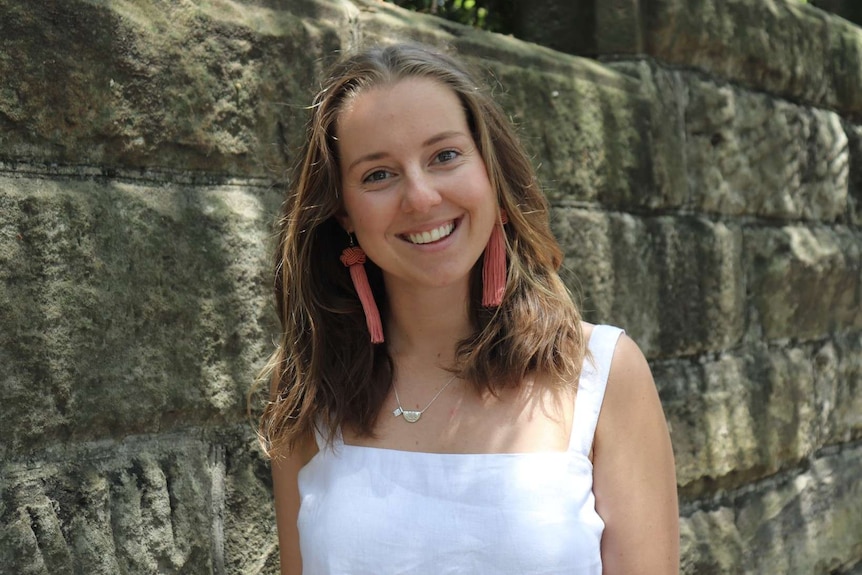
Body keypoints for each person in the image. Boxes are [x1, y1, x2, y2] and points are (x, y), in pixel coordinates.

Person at [258, 42, 679, 575]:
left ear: (492, 175)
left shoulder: (601, 374)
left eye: (445, 156)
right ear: (343, 213)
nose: (421, 197)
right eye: (378, 174)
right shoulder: (311, 385)